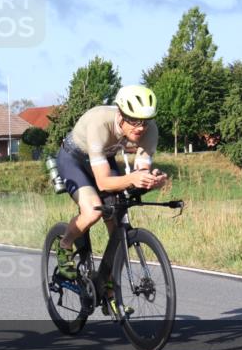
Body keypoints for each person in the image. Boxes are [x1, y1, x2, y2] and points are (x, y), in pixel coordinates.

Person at [53, 85, 169, 303]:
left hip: (103, 159)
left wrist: (151, 180)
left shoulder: (150, 130)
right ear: (121, 115)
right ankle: (65, 245)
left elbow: (140, 172)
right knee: (92, 211)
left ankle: (107, 282)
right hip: (74, 159)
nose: (140, 128)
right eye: (134, 120)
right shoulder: (100, 122)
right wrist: (132, 178)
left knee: (116, 224)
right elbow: (104, 182)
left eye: (144, 121)